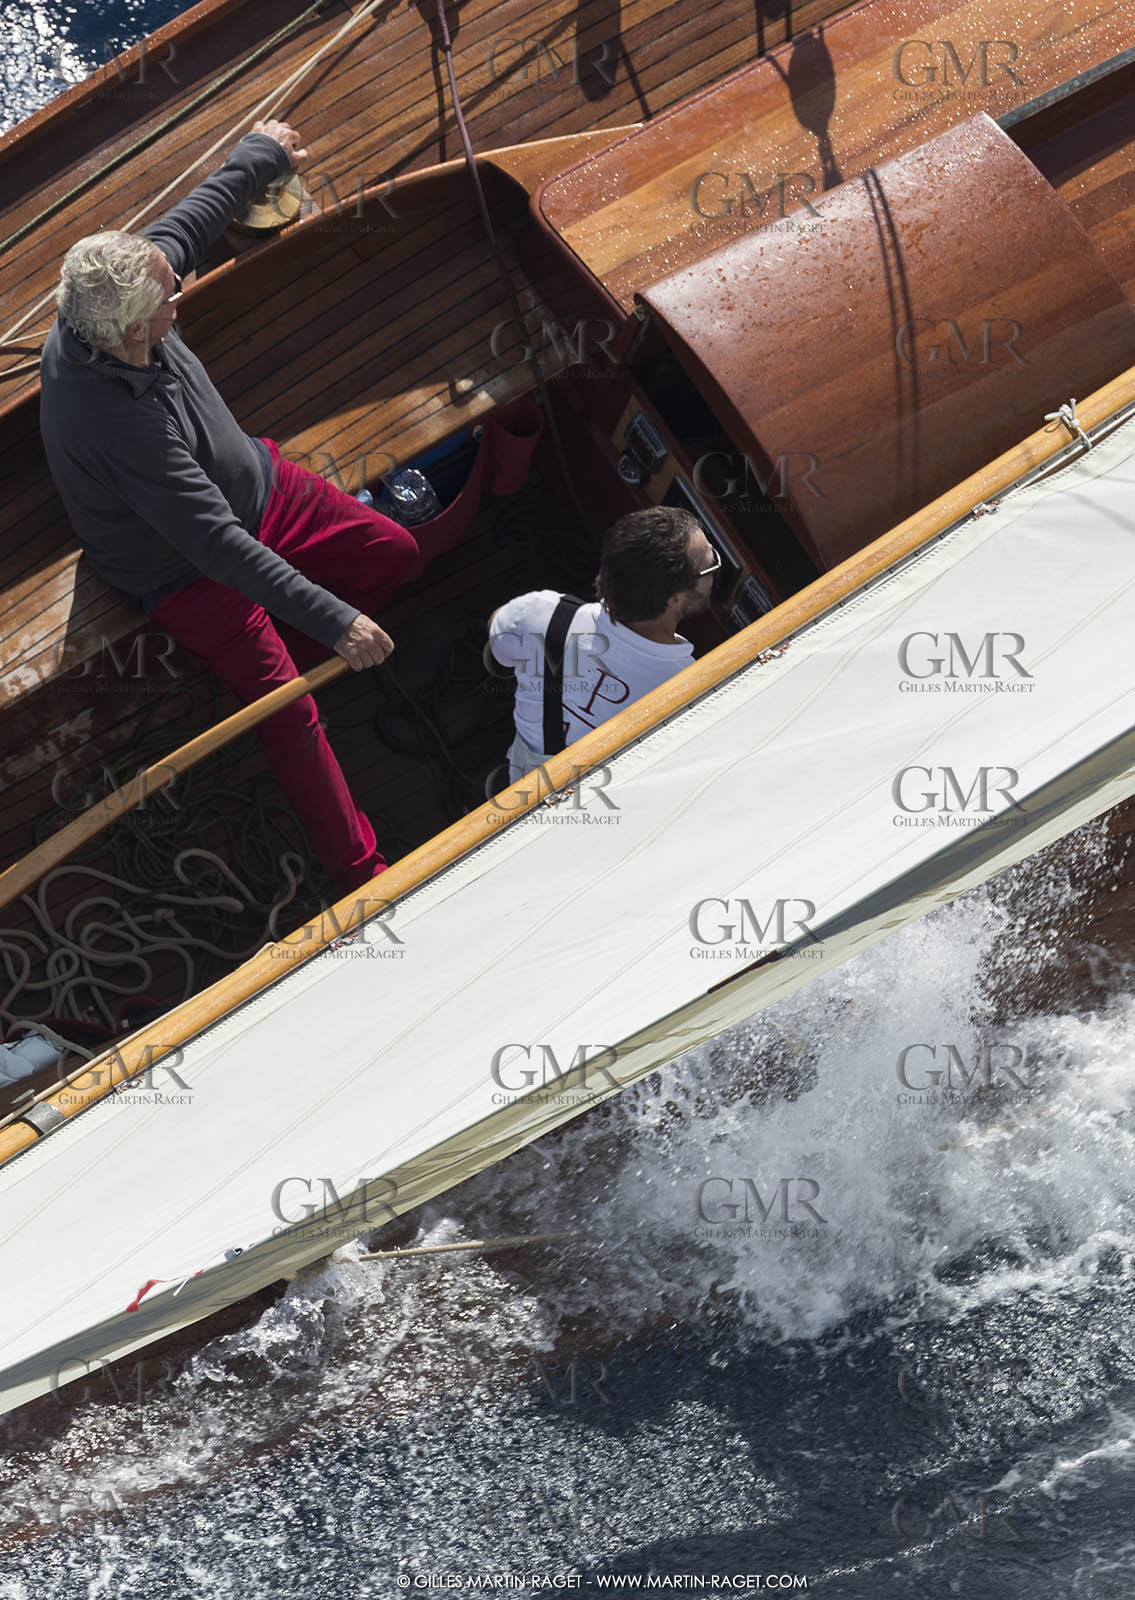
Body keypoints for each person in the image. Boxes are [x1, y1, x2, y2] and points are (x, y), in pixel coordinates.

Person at [39, 121, 419, 898]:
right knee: (289, 713)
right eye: (171, 299)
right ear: (136, 330)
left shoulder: (118, 295)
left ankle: (303, 653)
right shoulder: (118, 424)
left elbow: (189, 224)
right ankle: (363, 877)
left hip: (260, 486)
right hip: (185, 569)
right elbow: (213, 545)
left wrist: (263, 155)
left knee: (391, 554)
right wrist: (336, 621)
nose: (180, 296)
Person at [488, 506, 719, 782]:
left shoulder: (540, 616)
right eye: (712, 564)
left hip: (522, 789)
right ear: (674, 599)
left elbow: (497, 637)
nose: (714, 569)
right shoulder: (692, 688)